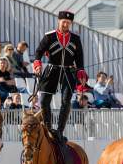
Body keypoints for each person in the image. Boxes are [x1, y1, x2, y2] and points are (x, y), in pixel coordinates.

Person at [33, 10, 87, 143]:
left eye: (68, 23)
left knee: (66, 101)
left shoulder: (75, 38)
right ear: (59, 21)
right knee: (45, 100)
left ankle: (59, 131)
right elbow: (38, 52)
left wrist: (80, 71)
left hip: (68, 72)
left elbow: (79, 57)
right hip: (52, 70)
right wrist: (37, 64)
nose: (66, 24)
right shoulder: (49, 36)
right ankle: (48, 128)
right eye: (64, 22)